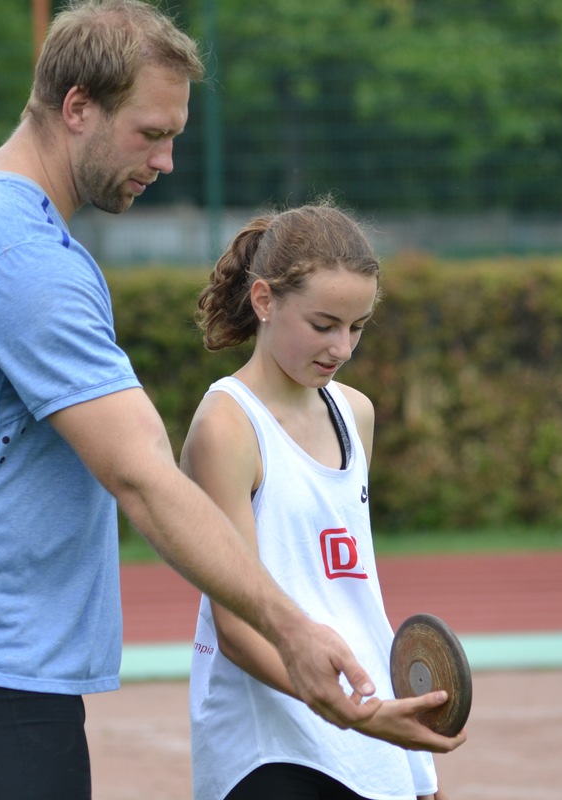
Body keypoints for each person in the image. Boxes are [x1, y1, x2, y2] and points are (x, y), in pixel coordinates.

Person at [0, 3, 382, 798]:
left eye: (174, 137)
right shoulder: (27, 258)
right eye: (149, 134)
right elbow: (143, 477)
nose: (165, 161)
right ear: (78, 107)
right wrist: (291, 630)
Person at [181, 201, 466, 800]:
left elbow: (352, 589)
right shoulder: (227, 427)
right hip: (269, 747)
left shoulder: (355, 413)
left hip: (364, 729)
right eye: (323, 324)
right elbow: (236, 626)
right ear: (264, 301)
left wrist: (412, 764)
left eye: (358, 326)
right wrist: (355, 713)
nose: (342, 346)